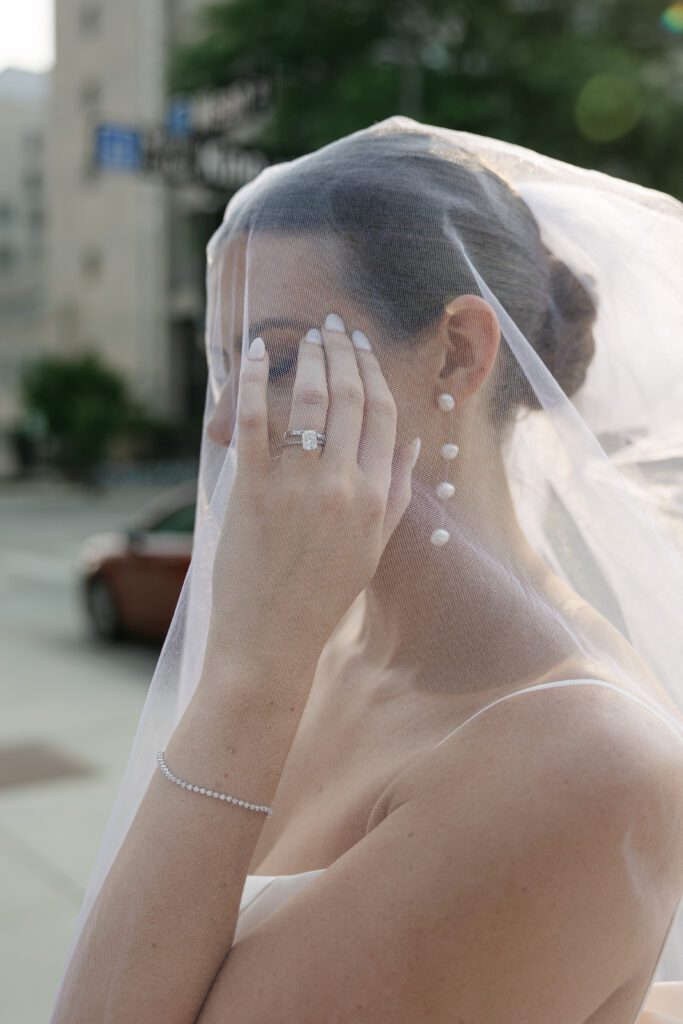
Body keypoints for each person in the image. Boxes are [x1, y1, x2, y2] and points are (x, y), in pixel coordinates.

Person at [49, 117, 683, 1023]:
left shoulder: (580, 761)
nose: (225, 426)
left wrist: (249, 673)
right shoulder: (325, 646)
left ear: (460, 352)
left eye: (272, 358)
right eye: (223, 367)